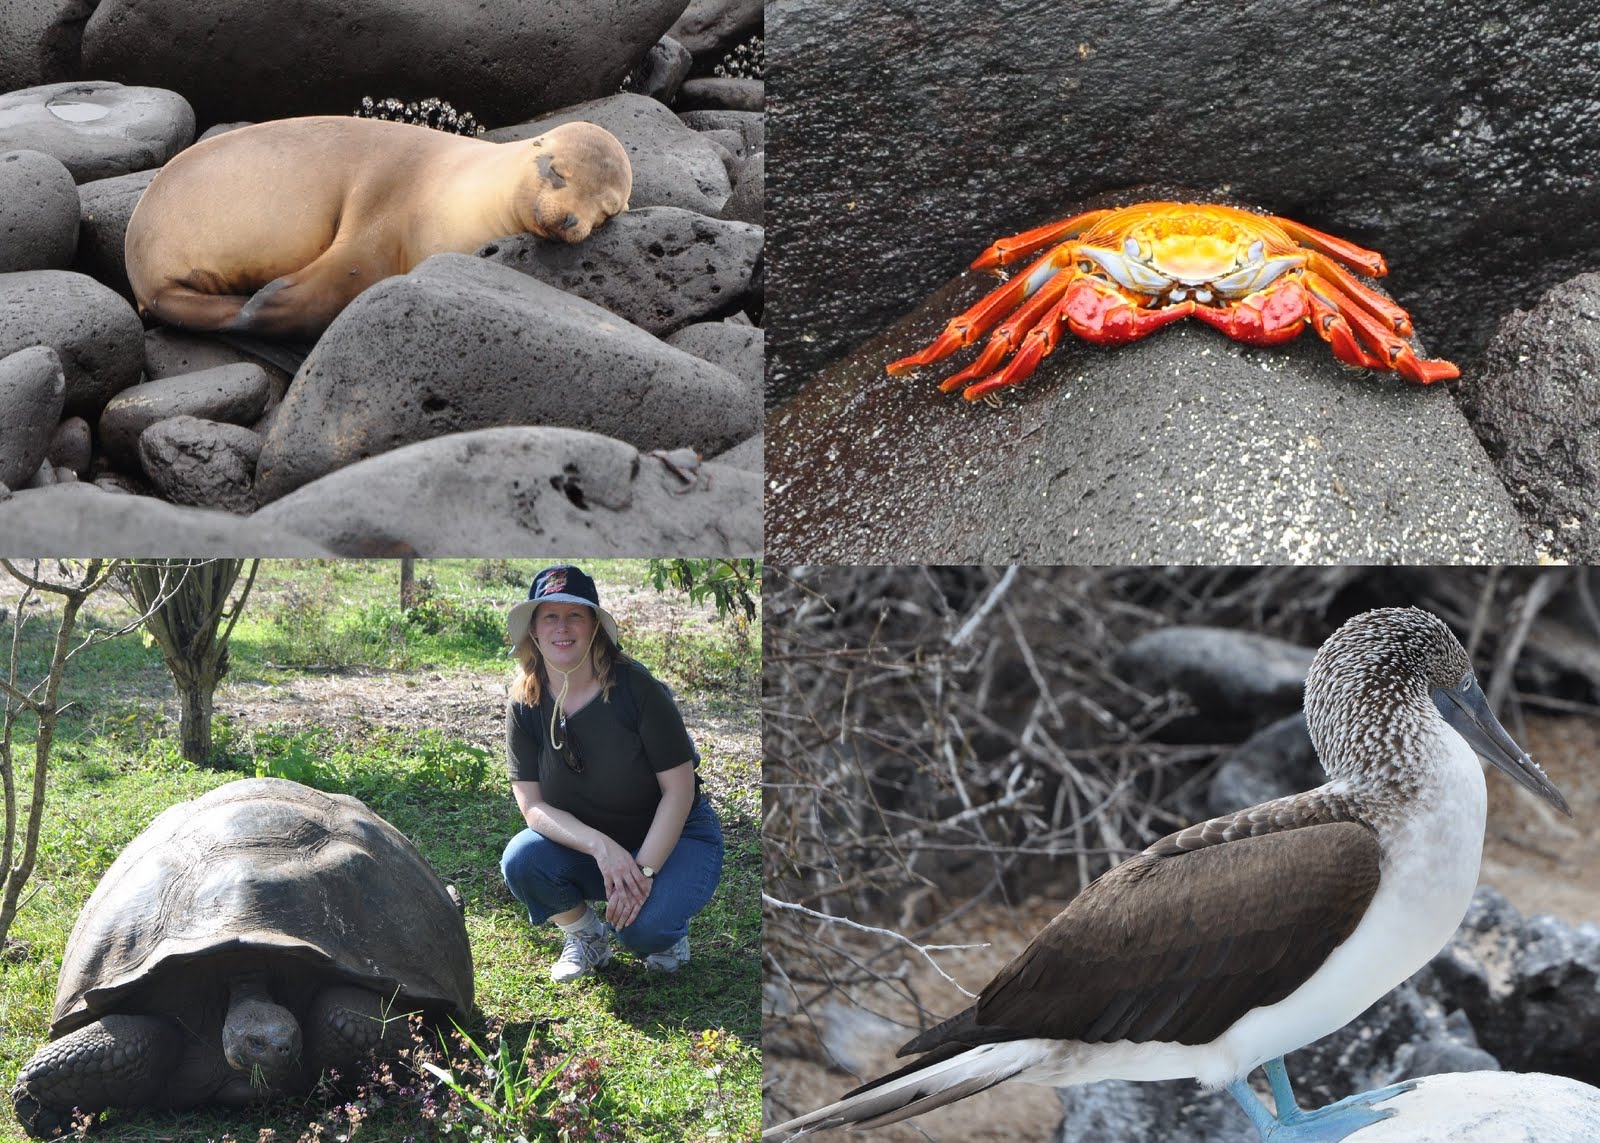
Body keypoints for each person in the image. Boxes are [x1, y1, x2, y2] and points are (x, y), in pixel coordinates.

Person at [499, 564, 724, 982]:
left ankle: (665, 933)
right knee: (522, 858)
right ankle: (586, 937)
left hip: (673, 839)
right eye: (550, 615)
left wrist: (643, 872)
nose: (562, 627)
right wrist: (602, 847)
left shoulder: (637, 690)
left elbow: (680, 792)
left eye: (575, 615)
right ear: (533, 630)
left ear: (595, 627)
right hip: (594, 846)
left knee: (641, 932)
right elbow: (532, 806)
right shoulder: (523, 703)